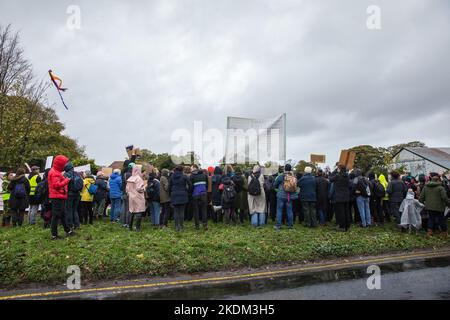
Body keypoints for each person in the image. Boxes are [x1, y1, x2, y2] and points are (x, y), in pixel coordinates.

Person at [48, 155, 72, 240]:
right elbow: (56, 185)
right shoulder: (55, 173)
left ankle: (68, 230)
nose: (66, 165)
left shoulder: (56, 171)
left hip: (59, 196)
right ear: (60, 164)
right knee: (56, 216)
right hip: (57, 196)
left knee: (62, 214)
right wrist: (66, 181)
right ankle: (54, 235)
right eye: (65, 163)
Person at [419, 172, 450, 237]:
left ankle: (430, 232)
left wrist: (423, 203)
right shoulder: (440, 188)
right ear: (438, 180)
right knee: (441, 219)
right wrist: (448, 204)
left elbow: (421, 197)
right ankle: (444, 233)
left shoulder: (425, 187)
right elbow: (444, 197)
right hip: (439, 206)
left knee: (431, 218)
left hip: (429, 206)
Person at [273, 164, 298, 230]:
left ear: (284, 169)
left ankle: (278, 226)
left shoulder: (281, 176)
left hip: (281, 195)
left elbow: (275, 185)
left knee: (279, 210)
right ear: (290, 169)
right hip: (289, 196)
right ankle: (290, 226)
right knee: (289, 210)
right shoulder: (293, 177)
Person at [169, 165, 191, 232]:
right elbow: (190, 184)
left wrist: (171, 193)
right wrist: (187, 191)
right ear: (182, 170)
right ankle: (181, 226)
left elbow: (169, 186)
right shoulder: (184, 176)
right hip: (183, 194)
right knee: (182, 211)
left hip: (174, 194)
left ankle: (176, 226)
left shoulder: (172, 176)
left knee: (176, 211)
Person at [330, 165, 351, 231]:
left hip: (339, 196)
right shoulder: (348, 176)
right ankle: (347, 226)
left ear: (340, 169)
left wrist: (334, 171)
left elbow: (330, 179)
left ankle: (342, 226)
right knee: (346, 211)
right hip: (346, 196)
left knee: (341, 212)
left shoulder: (337, 176)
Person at [126, 165, 146, 231]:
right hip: (138, 197)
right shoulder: (138, 179)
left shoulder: (130, 178)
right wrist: (144, 188)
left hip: (131, 197)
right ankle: (137, 227)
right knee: (138, 211)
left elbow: (127, 189)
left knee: (131, 211)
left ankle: (130, 227)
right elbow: (139, 188)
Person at [63, 161, 82, 231]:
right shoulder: (77, 174)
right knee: (75, 210)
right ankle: (77, 224)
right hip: (77, 194)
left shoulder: (66, 174)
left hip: (69, 194)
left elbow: (63, 184)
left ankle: (70, 225)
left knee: (69, 210)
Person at [190, 164, 208, 230]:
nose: (191, 170)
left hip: (195, 194)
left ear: (195, 168)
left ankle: (197, 225)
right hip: (203, 193)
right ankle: (205, 224)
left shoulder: (192, 176)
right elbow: (207, 185)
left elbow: (191, 186)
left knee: (196, 210)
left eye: (191, 168)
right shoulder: (204, 175)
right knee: (204, 209)